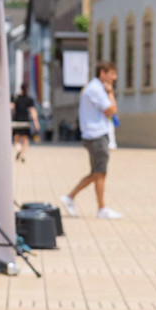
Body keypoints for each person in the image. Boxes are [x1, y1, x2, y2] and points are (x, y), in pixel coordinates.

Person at [61, 62, 122, 219]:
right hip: (96, 136)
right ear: (103, 73)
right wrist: (110, 93)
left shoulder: (94, 88)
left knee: (99, 173)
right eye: (112, 73)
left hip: (95, 135)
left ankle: (99, 206)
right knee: (99, 173)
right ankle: (72, 197)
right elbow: (112, 110)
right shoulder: (96, 89)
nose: (114, 77)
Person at [11, 87, 39, 162]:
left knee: (16, 138)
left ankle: (18, 149)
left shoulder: (15, 98)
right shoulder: (29, 99)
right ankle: (23, 154)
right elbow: (33, 111)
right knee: (25, 139)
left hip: (16, 121)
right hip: (25, 121)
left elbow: (11, 107)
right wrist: (36, 122)